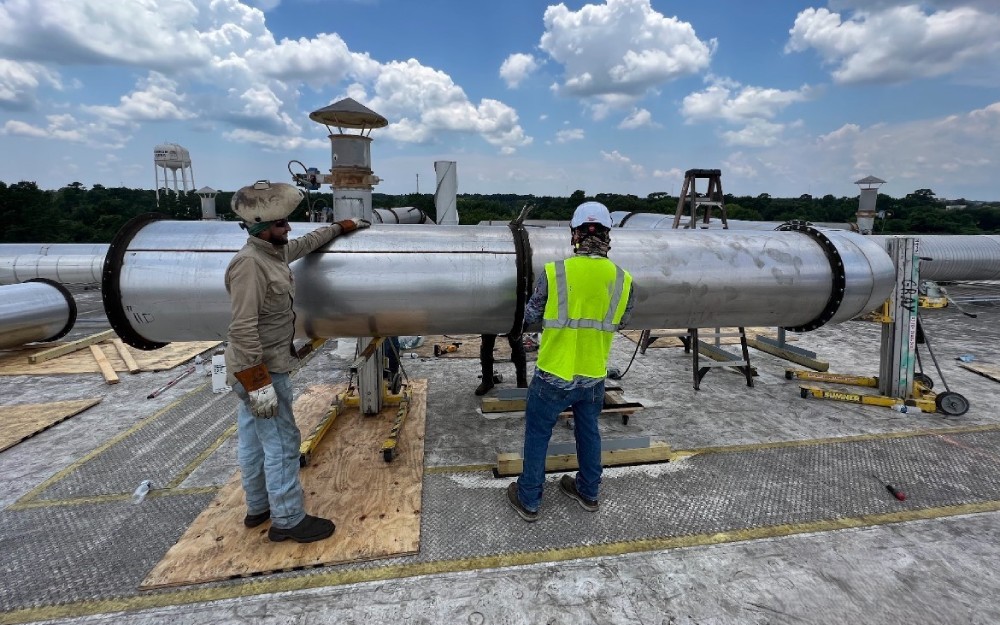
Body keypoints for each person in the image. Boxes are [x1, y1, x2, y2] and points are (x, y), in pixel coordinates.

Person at [225, 180, 370, 543]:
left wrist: (339, 227)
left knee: (254, 439)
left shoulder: (270, 254)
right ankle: (288, 519)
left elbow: (303, 245)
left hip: (258, 370)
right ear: (261, 228)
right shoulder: (249, 266)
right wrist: (258, 382)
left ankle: (258, 507)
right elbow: (243, 328)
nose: (288, 228)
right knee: (282, 443)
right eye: (280, 224)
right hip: (260, 371)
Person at [507, 201, 635, 522]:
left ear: (575, 235)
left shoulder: (555, 273)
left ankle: (530, 499)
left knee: (538, 434)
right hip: (593, 373)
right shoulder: (623, 281)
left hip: (554, 372)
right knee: (588, 431)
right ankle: (589, 492)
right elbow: (621, 321)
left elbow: (530, 316)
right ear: (607, 235)